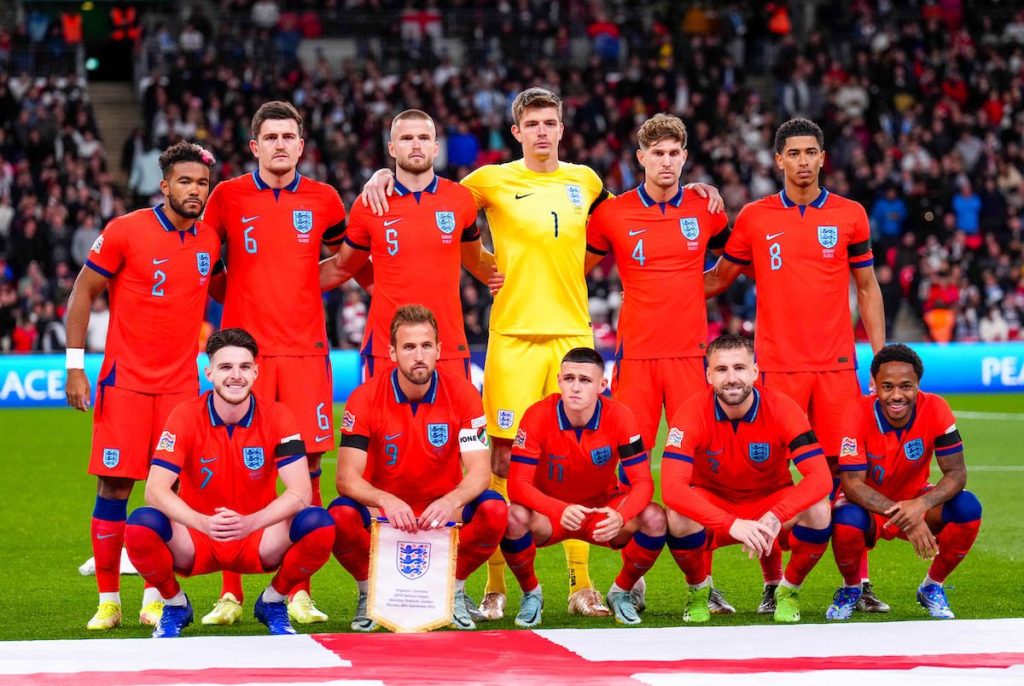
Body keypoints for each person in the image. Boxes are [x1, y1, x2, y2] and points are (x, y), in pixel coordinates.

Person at [362, 88, 722, 620]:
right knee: (503, 459)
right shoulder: (488, 181)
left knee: (578, 459)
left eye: (550, 122)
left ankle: (581, 585)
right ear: (517, 132)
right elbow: (439, 204)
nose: (542, 132)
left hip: (571, 338)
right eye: (531, 124)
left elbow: (631, 214)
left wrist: (692, 189)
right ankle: (496, 585)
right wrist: (385, 180)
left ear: (561, 127)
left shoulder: (586, 181)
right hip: (511, 339)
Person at [704, 117, 888, 613]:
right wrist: (653, 286)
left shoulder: (850, 215)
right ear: (779, 160)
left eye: (812, 153)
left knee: (847, 479)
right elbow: (718, 278)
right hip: (778, 369)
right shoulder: (755, 217)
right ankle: (772, 583)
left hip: (835, 369)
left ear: (823, 158)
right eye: (795, 153)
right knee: (771, 479)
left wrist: (881, 356)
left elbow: (868, 288)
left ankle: (858, 582)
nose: (804, 161)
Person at [201, 100, 359, 624]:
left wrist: (302, 287)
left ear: (302, 144)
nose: (280, 145)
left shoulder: (324, 199)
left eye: (289, 136)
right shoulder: (226, 196)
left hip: (306, 353)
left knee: (309, 469)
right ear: (254, 146)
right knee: (232, 468)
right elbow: (203, 264)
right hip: (245, 356)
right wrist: (240, 289)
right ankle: (230, 591)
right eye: (270, 137)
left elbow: (345, 261)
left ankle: (297, 591)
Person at [584, 113, 737, 614]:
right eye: (658, 153)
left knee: (696, 473)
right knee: (629, 474)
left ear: (684, 157)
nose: (666, 161)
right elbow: (574, 271)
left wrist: (695, 290)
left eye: (675, 153)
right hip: (638, 361)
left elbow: (730, 265)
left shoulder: (705, 208)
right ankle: (634, 574)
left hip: (692, 358)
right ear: (641, 158)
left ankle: (703, 582)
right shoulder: (612, 214)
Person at [64, 141, 220, 631]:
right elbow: (82, 293)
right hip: (125, 385)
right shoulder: (125, 230)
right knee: (114, 485)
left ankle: (155, 595)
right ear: (165, 185)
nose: (194, 190)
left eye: (201, 184)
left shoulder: (209, 241)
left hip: (179, 391)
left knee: (167, 493)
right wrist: (74, 366)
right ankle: (108, 600)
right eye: (186, 182)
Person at [123, 328, 335, 638]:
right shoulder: (184, 415)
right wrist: (202, 523)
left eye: (244, 367)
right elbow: (155, 489)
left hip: (259, 536)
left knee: (320, 523)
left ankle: (273, 601)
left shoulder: (278, 416)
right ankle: (174, 604)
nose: (236, 376)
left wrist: (252, 522)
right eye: (225, 367)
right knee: (140, 524)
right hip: (197, 537)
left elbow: (301, 492)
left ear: (255, 372)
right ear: (208, 372)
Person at [329, 305, 507, 631]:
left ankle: (452, 591)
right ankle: (370, 596)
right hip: (383, 515)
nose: (419, 355)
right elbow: (345, 478)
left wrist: (451, 500)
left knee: (495, 510)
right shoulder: (364, 398)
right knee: (339, 517)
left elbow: (480, 472)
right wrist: (385, 500)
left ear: (439, 350)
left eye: (426, 346)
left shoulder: (464, 395)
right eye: (409, 347)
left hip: (442, 514)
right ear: (392, 352)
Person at [661, 334, 833, 623]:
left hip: (770, 503)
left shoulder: (783, 408)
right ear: (708, 375)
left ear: (755, 371)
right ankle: (699, 590)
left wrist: (778, 514)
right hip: (715, 505)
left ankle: (787, 590)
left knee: (819, 509)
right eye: (721, 370)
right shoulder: (690, 412)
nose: (731, 378)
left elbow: (821, 478)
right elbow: (671, 489)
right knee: (677, 513)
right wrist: (731, 523)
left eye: (739, 368)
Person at [319, 109, 501, 381]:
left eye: (424, 138)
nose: (416, 144)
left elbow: (477, 260)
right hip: (386, 345)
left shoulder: (459, 200)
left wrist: (514, 280)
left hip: (447, 343)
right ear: (391, 147)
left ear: (436, 147)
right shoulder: (370, 203)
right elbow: (343, 266)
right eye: (406, 138)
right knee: (385, 425)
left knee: (451, 425)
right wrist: (285, 286)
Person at [500, 347, 666, 627]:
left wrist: (621, 516)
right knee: (511, 516)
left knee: (655, 518)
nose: (575, 387)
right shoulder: (537, 415)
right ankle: (531, 594)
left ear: (602, 385)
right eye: (569, 378)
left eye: (585, 380)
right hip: (550, 515)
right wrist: (557, 508)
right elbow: (517, 485)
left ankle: (622, 591)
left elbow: (642, 483)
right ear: (559, 381)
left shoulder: (621, 416)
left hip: (601, 511)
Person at [827, 344, 981, 620]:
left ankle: (932, 587)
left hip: (915, 501)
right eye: (887, 387)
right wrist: (907, 518)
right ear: (874, 385)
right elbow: (852, 485)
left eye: (906, 386)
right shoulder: (856, 412)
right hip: (868, 508)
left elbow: (956, 473)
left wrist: (920, 504)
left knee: (968, 507)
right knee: (846, 520)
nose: (897, 395)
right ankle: (852, 589)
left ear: (918, 385)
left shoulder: (935, 407)